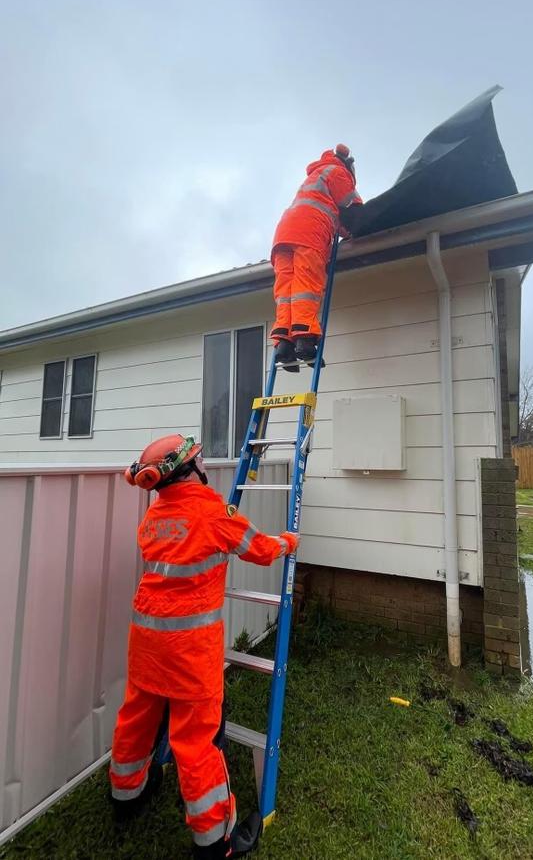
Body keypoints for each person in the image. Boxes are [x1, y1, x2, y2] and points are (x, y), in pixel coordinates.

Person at [109, 433, 299, 859]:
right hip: (190, 653)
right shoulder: (213, 513)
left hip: (146, 643)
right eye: (199, 460)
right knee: (196, 742)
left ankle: (126, 793)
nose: (205, 466)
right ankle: (216, 839)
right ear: (189, 469)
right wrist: (289, 542)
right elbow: (260, 549)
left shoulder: (152, 518)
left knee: (137, 717)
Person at [270, 144, 362, 370]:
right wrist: (358, 227)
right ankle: (305, 341)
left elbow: (333, 214)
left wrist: (342, 230)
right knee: (306, 286)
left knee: (286, 291)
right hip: (309, 233)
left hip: (283, 234)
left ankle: (284, 344)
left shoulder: (315, 177)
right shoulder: (338, 172)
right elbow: (354, 210)